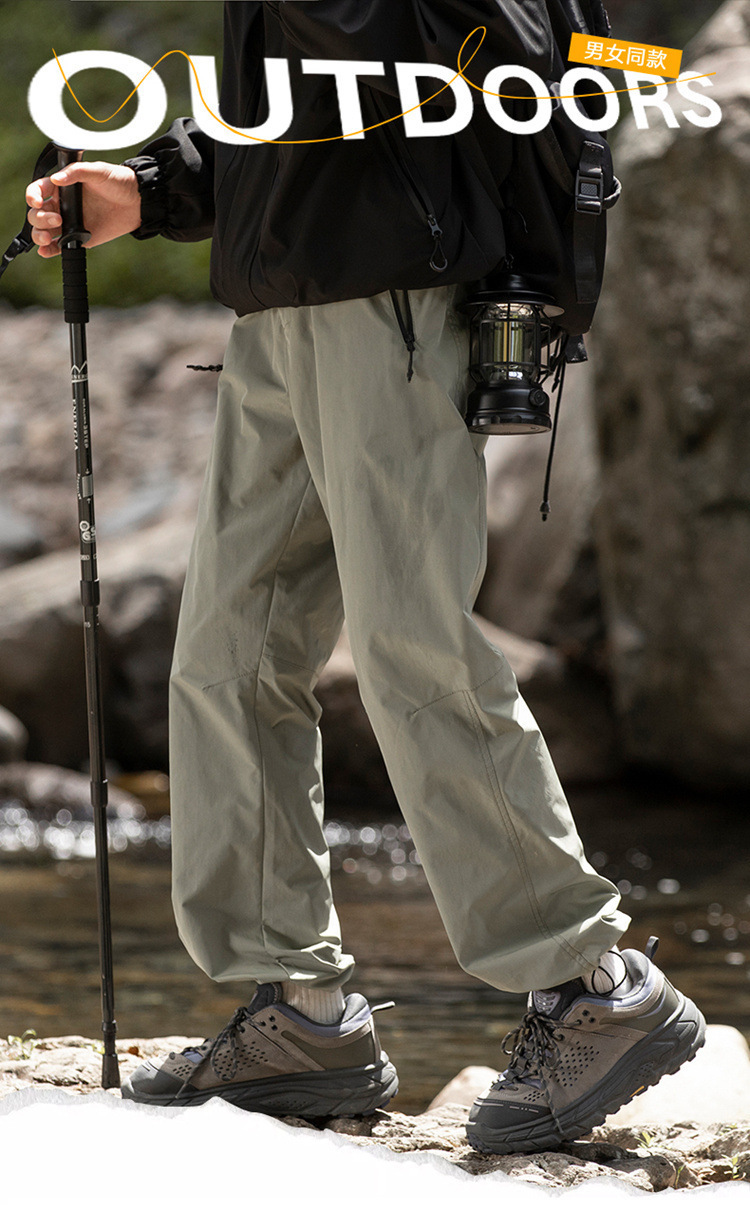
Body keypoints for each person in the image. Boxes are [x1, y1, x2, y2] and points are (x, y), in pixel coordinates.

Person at [26, 2, 704, 1153]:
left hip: (397, 296)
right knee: (227, 658)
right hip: (281, 301)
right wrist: (157, 184)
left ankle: (590, 981)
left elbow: (498, 61)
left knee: (410, 645)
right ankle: (300, 1010)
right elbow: (289, 102)